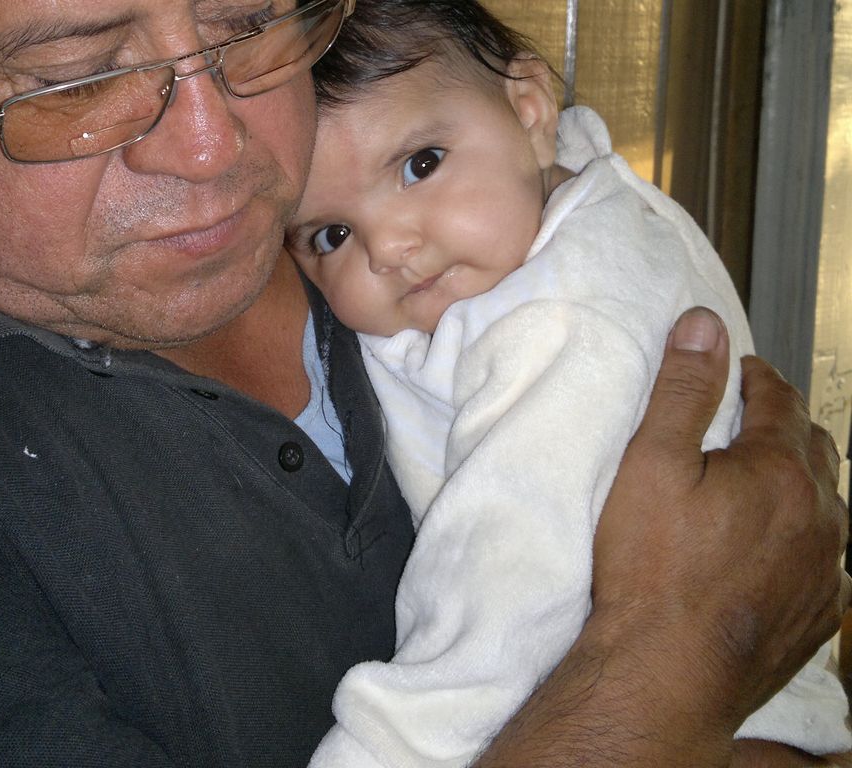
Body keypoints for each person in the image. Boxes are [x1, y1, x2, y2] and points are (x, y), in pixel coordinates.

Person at [0, 0, 848, 766]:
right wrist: (676, 667)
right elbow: (745, 610)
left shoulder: (483, 225)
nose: (213, 149)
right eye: (78, 77)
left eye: (251, 25)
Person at [285, 3, 852, 766]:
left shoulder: (558, 325)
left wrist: (386, 749)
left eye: (421, 164)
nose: (387, 247)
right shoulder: (558, 196)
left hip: (701, 709)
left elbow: (507, 582)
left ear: (529, 110)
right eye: (331, 234)